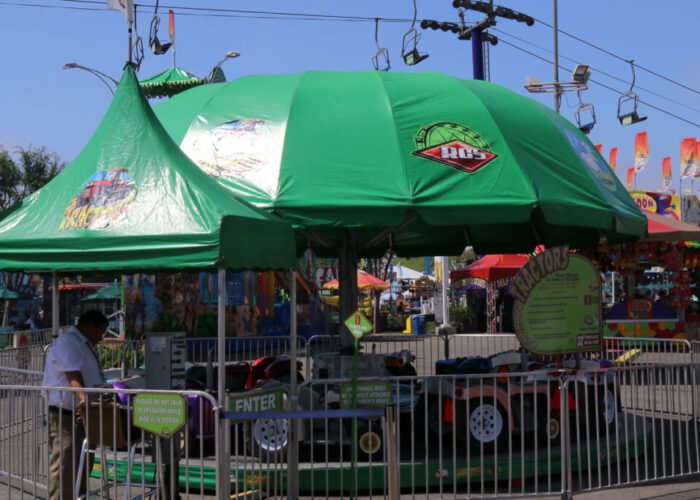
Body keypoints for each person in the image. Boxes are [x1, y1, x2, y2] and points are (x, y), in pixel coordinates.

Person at [42, 310, 108, 500]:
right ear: (89, 327)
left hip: (81, 414)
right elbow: (74, 376)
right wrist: (84, 401)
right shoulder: (68, 342)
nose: (101, 338)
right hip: (67, 415)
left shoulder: (82, 343)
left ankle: (78, 496)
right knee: (65, 465)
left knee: (82, 463)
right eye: (101, 332)